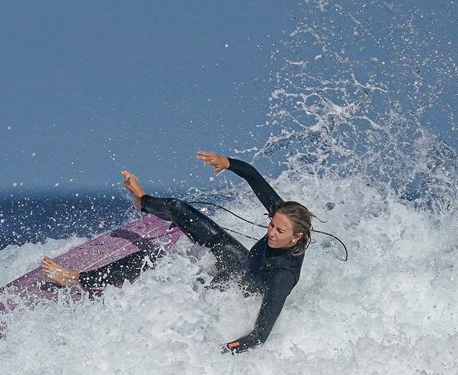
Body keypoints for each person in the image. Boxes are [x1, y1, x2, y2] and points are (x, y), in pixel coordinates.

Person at [43, 151, 313, 353]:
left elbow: (259, 335)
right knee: (178, 207)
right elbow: (254, 176)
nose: (271, 232)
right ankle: (143, 201)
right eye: (271, 225)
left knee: (160, 260)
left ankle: (79, 280)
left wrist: (220, 352)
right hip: (239, 260)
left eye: (279, 232)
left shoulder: (283, 276)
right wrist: (227, 163)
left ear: (296, 238)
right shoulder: (284, 214)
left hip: (235, 286)